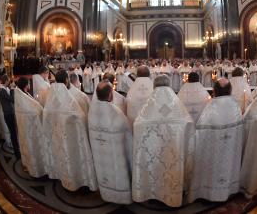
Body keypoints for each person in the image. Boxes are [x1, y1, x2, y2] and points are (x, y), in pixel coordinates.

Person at [132, 75, 194, 207]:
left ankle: (153, 193)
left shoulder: (150, 103)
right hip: (174, 148)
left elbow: (137, 124)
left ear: (154, 85)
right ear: (169, 84)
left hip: (153, 151)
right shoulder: (175, 101)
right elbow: (188, 122)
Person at [188, 78, 243, 202]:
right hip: (230, 151)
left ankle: (209, 192)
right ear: (230, 90)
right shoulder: (236, 108)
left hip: (213, 153)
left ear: (214, 91)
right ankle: (228, 188)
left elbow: (200, 136)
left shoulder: (211, 109)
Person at [43, 70, 97, 191]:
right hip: (74, 140)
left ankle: (61, 175)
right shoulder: (80, 96)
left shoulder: (50, 97)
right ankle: (79, 180)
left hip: (57, 138)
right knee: (74, 160)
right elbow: (86, 117)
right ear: (67, 80)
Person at [88, 81, 133, 204]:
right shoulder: (116, 113)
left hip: (100, 154)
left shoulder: (91, 112)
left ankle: (106, 192)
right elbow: (128, 134)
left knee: (103, 171)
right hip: (115, 155)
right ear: (110, 95)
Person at [14, 76, 46, 177]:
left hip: (26, 130)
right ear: (25, 85)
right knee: (33, 148)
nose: (29, 85)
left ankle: (30, 165)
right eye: (28, 83)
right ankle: (36, 169)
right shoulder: (23, 99)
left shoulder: (21, 95)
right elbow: (33, 112)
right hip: (31, 131)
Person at [0, 74, 21, 159]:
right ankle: (17, 153)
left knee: (14, 132)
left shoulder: (4, 89)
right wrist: (12, 89)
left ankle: (17, 149)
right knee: (13, 133)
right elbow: (12, 99)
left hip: (10, 113)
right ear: (6, 81)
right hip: (8, 114)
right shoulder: (2, 90)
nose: (9, 82)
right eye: (8, 80)